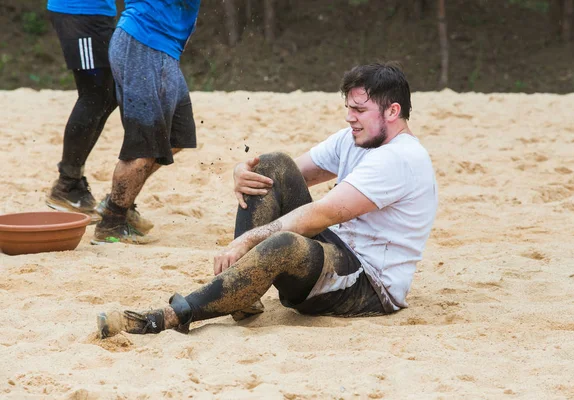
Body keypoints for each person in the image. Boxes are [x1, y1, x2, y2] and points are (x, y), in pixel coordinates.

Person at [97, 62, 438, 338]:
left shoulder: (401, 159)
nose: (350, 117)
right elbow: (286, 173)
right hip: (338, 252)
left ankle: (168, 317)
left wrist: (247, 240)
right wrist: (240, 171)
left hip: (368, 287)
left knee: (283, 243)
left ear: (392, 112)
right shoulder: (355, 138)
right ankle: (244, 297)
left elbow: (321, 214)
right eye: (348, 108)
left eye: (360, 110)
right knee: (271, 165)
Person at [91, 0, 202, 245]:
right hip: (143, 44)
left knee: (177, 137)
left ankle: (116, 202)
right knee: (143, 147)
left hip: (162, 49)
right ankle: (112, 223)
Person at [45, 0, 118, 220]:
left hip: (96, 13)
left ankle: (71, 181)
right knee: (94, 94)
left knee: (110, 95)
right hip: (81, 12)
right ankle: (67, 184)